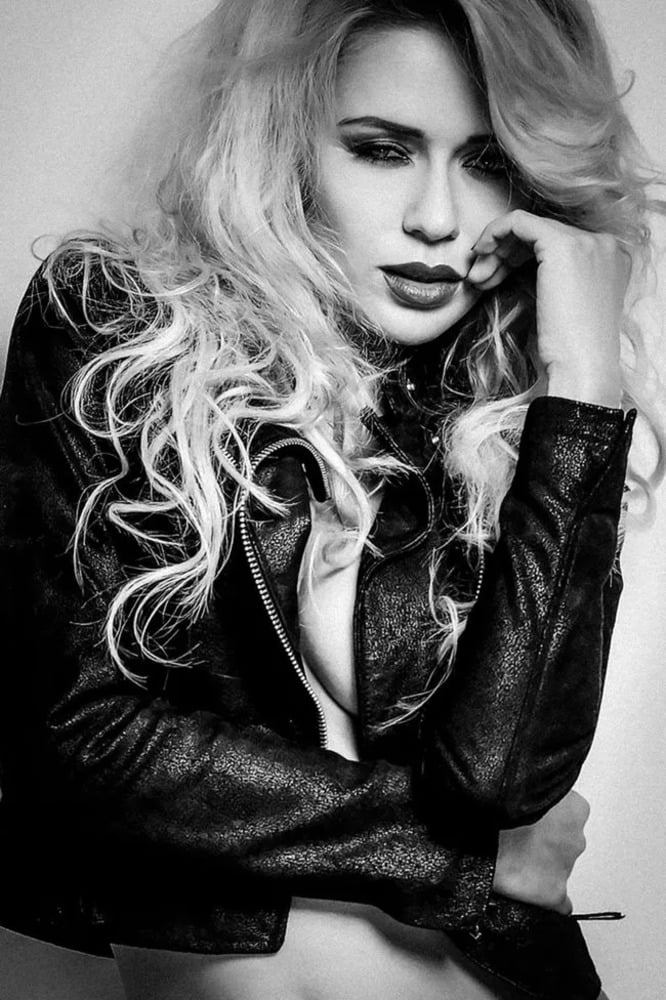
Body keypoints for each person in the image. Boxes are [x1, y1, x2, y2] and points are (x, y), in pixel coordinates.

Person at [0, 0, 662, 998]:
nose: (437, 217)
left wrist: (585, 391)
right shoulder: (121, 330)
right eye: (383, 149)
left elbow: (504, 783)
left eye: (486, 162)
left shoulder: (502, 409)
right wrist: (455, 860)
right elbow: (78, 741)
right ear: (285, 144)